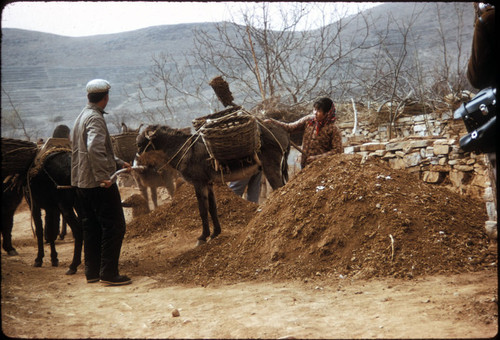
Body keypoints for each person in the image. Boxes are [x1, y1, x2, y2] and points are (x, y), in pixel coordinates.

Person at [71, 79, 132, 286]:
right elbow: (94, 149)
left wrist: (117, 162)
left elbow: (92, 150)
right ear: (105, 98)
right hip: (98, 184)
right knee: (114, 226)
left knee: (91, 227)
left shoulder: (81, 116)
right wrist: (103, 178)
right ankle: (109, 273)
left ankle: (92, 272)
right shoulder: (95, 119)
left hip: (81, 183)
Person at [265, 97, 343, 169]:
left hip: (322, 167)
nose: (315, 113)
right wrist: (273, 122)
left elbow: (337, 151)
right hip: (305, 166)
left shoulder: (333, 129)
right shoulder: (309, 121)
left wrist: (317, 158)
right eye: (314, 109)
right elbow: (290, 128)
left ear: (327, 113)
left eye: (319, 111)